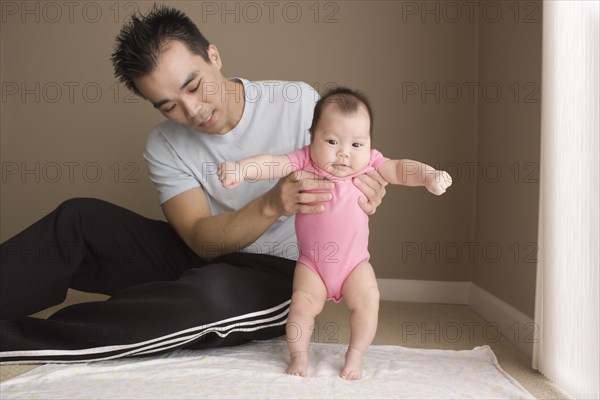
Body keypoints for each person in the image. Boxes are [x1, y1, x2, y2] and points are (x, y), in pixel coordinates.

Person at [0, 5, 387, 363]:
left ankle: (16, 339)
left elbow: (355, 161)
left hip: (285, 271)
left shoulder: (297, 102)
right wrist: (272, 203)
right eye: (168, 105)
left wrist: (370, 187)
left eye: (194, 85)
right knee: (80, 219)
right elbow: (202, 240)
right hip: (208, 252)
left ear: (213, 57)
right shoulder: (164, 143)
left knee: (207, 297)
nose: (192, 110)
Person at [218, 87, 452, 379]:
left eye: (356, 144)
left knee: (369, 300)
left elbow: (402, 168)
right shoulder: (304, 160)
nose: (343, 153)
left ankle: (354, 356)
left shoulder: (371, 164)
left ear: (369, 145)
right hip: (313, 264)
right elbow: (272, 163)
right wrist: (240, 169)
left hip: (354, 264)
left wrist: (428, 176)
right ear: (312, 137)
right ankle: (299, 356)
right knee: (301, 305)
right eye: (331, 141)